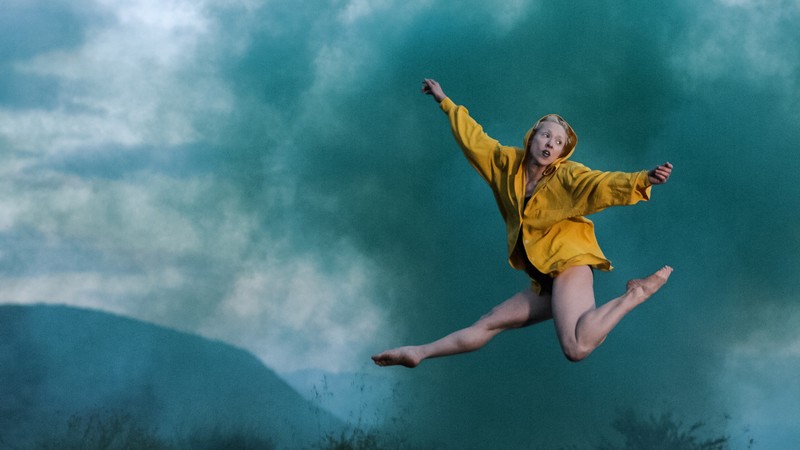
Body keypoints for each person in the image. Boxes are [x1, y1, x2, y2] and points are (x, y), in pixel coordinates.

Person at [372, 79, 674, 367]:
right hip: (544, 277)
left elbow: (601, 184)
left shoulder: (566, 176)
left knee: (576, 346)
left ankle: (636, 293)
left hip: (569, 263)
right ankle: (417, 353)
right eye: (546, 135)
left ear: (561, 152)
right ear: (532, 136)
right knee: (489, 322)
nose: (550, 144)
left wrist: (643, 178)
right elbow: (473, 138)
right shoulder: (504, 163)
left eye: (558, 143)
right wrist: (444, 101)